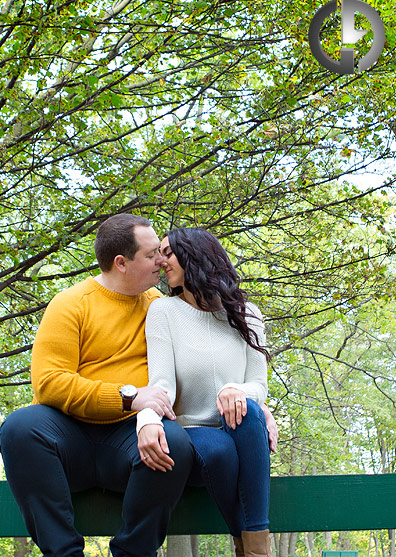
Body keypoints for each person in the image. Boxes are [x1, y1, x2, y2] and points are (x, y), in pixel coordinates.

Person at [0, 213, 195, 557]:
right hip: (68, 439)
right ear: (121, 262)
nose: (162, 262)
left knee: (174, 442)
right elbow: (49, 383)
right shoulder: (71, 303)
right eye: (151, 255)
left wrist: (251, 397)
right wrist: (128, 396)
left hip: (131, 442)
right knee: (19, 428)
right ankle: (63, 553)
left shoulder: (161, 308)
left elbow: (198, 365)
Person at [136, 227, 273, 557]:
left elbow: (258, 387)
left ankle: (254, 549)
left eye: (168, 253)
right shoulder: (163, 311)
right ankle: (253, 546)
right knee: (218, 451)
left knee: (250, 409)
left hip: (240, 428)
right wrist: (147, 418)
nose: (161, 262)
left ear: (193, 255)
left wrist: (234, 389)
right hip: (192, 436)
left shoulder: (246, 314)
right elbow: (163, 385)